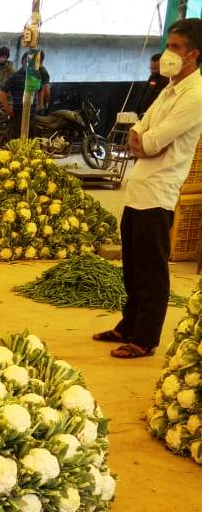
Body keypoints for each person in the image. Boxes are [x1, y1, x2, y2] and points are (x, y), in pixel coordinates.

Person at [93, 19, 202, 359]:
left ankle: (145, 338)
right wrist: (144, 140)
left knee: (151, 271)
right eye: (168, 45)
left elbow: (153, 141)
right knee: (132, 266)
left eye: (176, 47)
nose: (168, 53)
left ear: (193, 54)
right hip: (138, 190)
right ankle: (128, 325)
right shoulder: (169, 89)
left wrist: (146, 141)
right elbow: (138, 129)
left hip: (159, 193)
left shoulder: (195, 95)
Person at [0, 50, 50, 139]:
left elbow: (40, 90)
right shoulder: (15, 76)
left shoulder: (34, 75)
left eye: (33, 63)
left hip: (32, 116)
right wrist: (8, 110)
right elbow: (2, 92)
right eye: (28, 62)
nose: (31, 65)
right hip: (18, 116)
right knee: (17, 140)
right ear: (23, 62)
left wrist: (40, 104)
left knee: (31, 141)